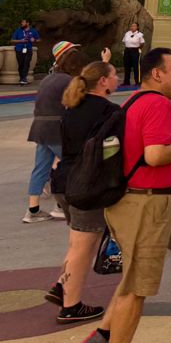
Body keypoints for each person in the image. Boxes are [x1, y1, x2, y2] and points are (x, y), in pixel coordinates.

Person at [71, 47, 171, 343]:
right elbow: (155, 155)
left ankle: (99, 342)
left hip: (126, 201)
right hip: (146, 205)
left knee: (131, 278)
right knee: (136, 291)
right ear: (157, 74)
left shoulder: (133, 100)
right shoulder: (158, 104)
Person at [49, 61, 118, 324]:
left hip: (64, 181)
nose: (117, 79)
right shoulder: (109, 112)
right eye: (113, 75)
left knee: (77, 242)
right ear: (102, 81)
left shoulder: (72, 107)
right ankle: (71, 305)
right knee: (82, 245)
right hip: (87, 185)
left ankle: (61, 286)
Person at [25, 44, 90, 223]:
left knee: (40, 168)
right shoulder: (69, 81)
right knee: (71, 165)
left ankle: (33, 209)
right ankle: (60, 206)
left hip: (39, 128)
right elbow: (77, 105)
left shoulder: (48, 79)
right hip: (56, 128)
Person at [10, 18, 40, 85]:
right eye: (21, 22)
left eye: (23, 22)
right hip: (19, 49)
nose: (22, 24)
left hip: (28, 49)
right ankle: (22, 78)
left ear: (28, 23)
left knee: (27, 63)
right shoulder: (18, 31)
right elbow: (12, 40)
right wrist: (21, 41)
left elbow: (39, 40)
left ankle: (24, 79)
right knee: (21, 64)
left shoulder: (33, 31)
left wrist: (34, 40)